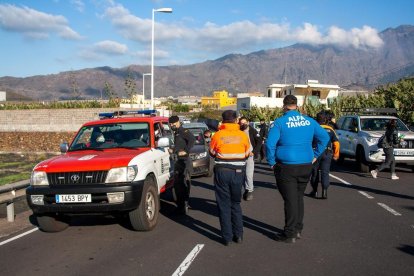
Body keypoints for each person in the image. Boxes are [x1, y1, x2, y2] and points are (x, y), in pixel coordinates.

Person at [266, 95, 329, 243]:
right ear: (296, 105)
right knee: (298, 197)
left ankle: (290, 233)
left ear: (284, 105)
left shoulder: (280, 122)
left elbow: (269, 144)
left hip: (286, 166)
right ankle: (298, 228)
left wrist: (271, 162)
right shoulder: (309, 121)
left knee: (290, 199)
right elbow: (325, 137)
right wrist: (315, 155)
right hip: (306, 165)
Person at [209, 110, 251, 246]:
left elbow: (212, 152)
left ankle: (226, 237)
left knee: (223, 205)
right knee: (236, 203)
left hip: (222, 171)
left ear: (223, 120)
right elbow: (247, 153)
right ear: (236, 120)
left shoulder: (218, 135)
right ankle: (238, 235)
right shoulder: (243, 135)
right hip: (238, 172)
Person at [168, 115, 196, 215]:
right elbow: (179, 145)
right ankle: (181, 206)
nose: (172, 125)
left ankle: (184, 206)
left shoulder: (183, 131)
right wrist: (172, 150)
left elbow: (192, 140)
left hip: (184, 161)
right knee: (178, 185)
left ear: (178, 122)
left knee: (184, 184)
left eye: (173, 124)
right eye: (170, 124)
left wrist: (186, 151)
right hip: (177, 161)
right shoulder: (175, 133)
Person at [309, 112, 340, 199]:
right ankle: (324, 192)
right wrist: (336, 155)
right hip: (327, 153)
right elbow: (336, 143)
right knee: (325, 173)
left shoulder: (314, 128)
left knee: (314, 173)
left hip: (315, 153)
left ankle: (314, 191)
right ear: (326, 120)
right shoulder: (330, 129)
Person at [238, 116, 262, 201]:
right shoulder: (238, 131)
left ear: (248, 122)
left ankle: (249, 190)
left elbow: (259, 142)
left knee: (249, 174)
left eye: (244, 123)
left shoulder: (253, 131)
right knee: (239, 174)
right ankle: (240, 190)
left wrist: (254, 152)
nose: (243, 124)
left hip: (250, 155)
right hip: (239, 156)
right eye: (241, 123)